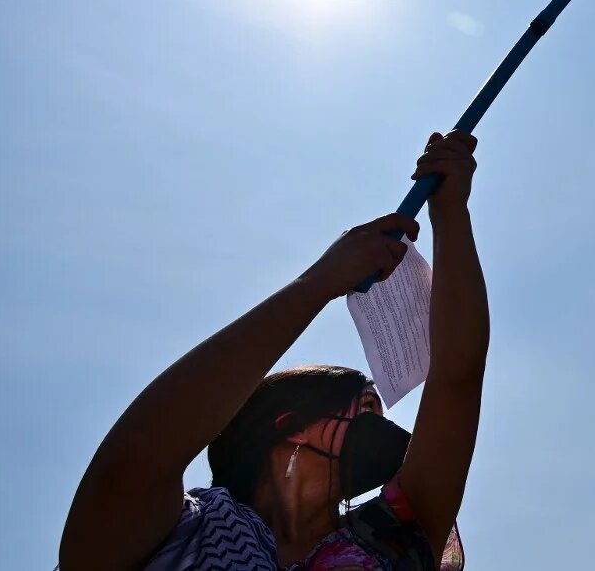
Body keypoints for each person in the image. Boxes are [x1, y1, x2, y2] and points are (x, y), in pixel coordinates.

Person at [60, 131, 487, 571]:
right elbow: (130, 463)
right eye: (364, 411)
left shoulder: (393, 540)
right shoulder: (176, 531)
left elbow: (457, 378)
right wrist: (318, 283)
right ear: (291, 424)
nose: (383, 428)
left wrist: (451, 211)